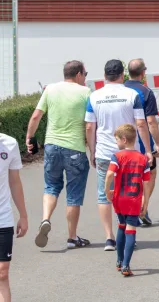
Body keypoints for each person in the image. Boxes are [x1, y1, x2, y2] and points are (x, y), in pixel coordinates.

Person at [85, 59, 153, 251]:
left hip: (105, 152)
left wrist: (92, 150)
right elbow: (141, 124)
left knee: (104, 194)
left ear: (105, 76)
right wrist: (147, 150)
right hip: (130, 154)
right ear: (122, 75)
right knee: (131, 192)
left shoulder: (94, 96)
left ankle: (109, 238)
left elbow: (90, 126)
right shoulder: (133, 94)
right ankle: (130, 230)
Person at [26, 60, 91, 249]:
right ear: (78, 74)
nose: (85, 78)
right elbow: (89, 124)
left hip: (52, 146)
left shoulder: (50, 89)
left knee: (51, 187)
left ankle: (45, 219)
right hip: (75, 149)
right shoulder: (85, 93)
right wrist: (93, 149)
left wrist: (29, 138)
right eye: (85, 74)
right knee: (73, 195)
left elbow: (36, 115)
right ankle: (72, 237)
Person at [104, 124, 151, 277]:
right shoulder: (143, 158)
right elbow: (146, 183)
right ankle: (126, 265)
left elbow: (110, 174)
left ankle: (118, 260)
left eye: (117, 139)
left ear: (124, 140)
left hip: (119, 197)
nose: (116, 142)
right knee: (131, 230)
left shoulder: (117, 156)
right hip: (134, 199)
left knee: (121, 226)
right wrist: (146, 202)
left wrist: (107, 191)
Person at [125, 58, 159, 226]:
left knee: (126, 177)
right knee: (149, 174)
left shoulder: (121, 88)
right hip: (141, 140)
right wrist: (157, 143)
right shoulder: (145, 91)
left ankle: (128, 210)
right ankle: (142, 207)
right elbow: (151, 121)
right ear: (143, 73)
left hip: (123, 140)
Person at [0, 134, 28, 302]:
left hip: (3, 218)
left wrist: (23, 215)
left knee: (2, 272)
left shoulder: (9, 144)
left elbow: (15, 181)